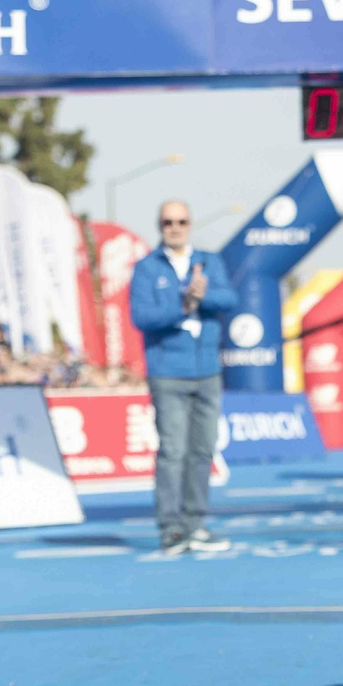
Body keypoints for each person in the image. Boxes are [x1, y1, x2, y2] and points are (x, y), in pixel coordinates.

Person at [129, 199, 237, 555]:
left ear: (190, 224)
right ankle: (171, 528)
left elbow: (229, 298)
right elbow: (142, 316)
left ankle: (195, 524)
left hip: (207, 371)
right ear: (160, 226)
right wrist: (182, 305)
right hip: (168, 373)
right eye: (167, 222)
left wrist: (203, 296)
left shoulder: (209, 261)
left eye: (181, 221)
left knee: (202, 451)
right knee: (173, 451)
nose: (174, 228)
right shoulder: (147, 268)